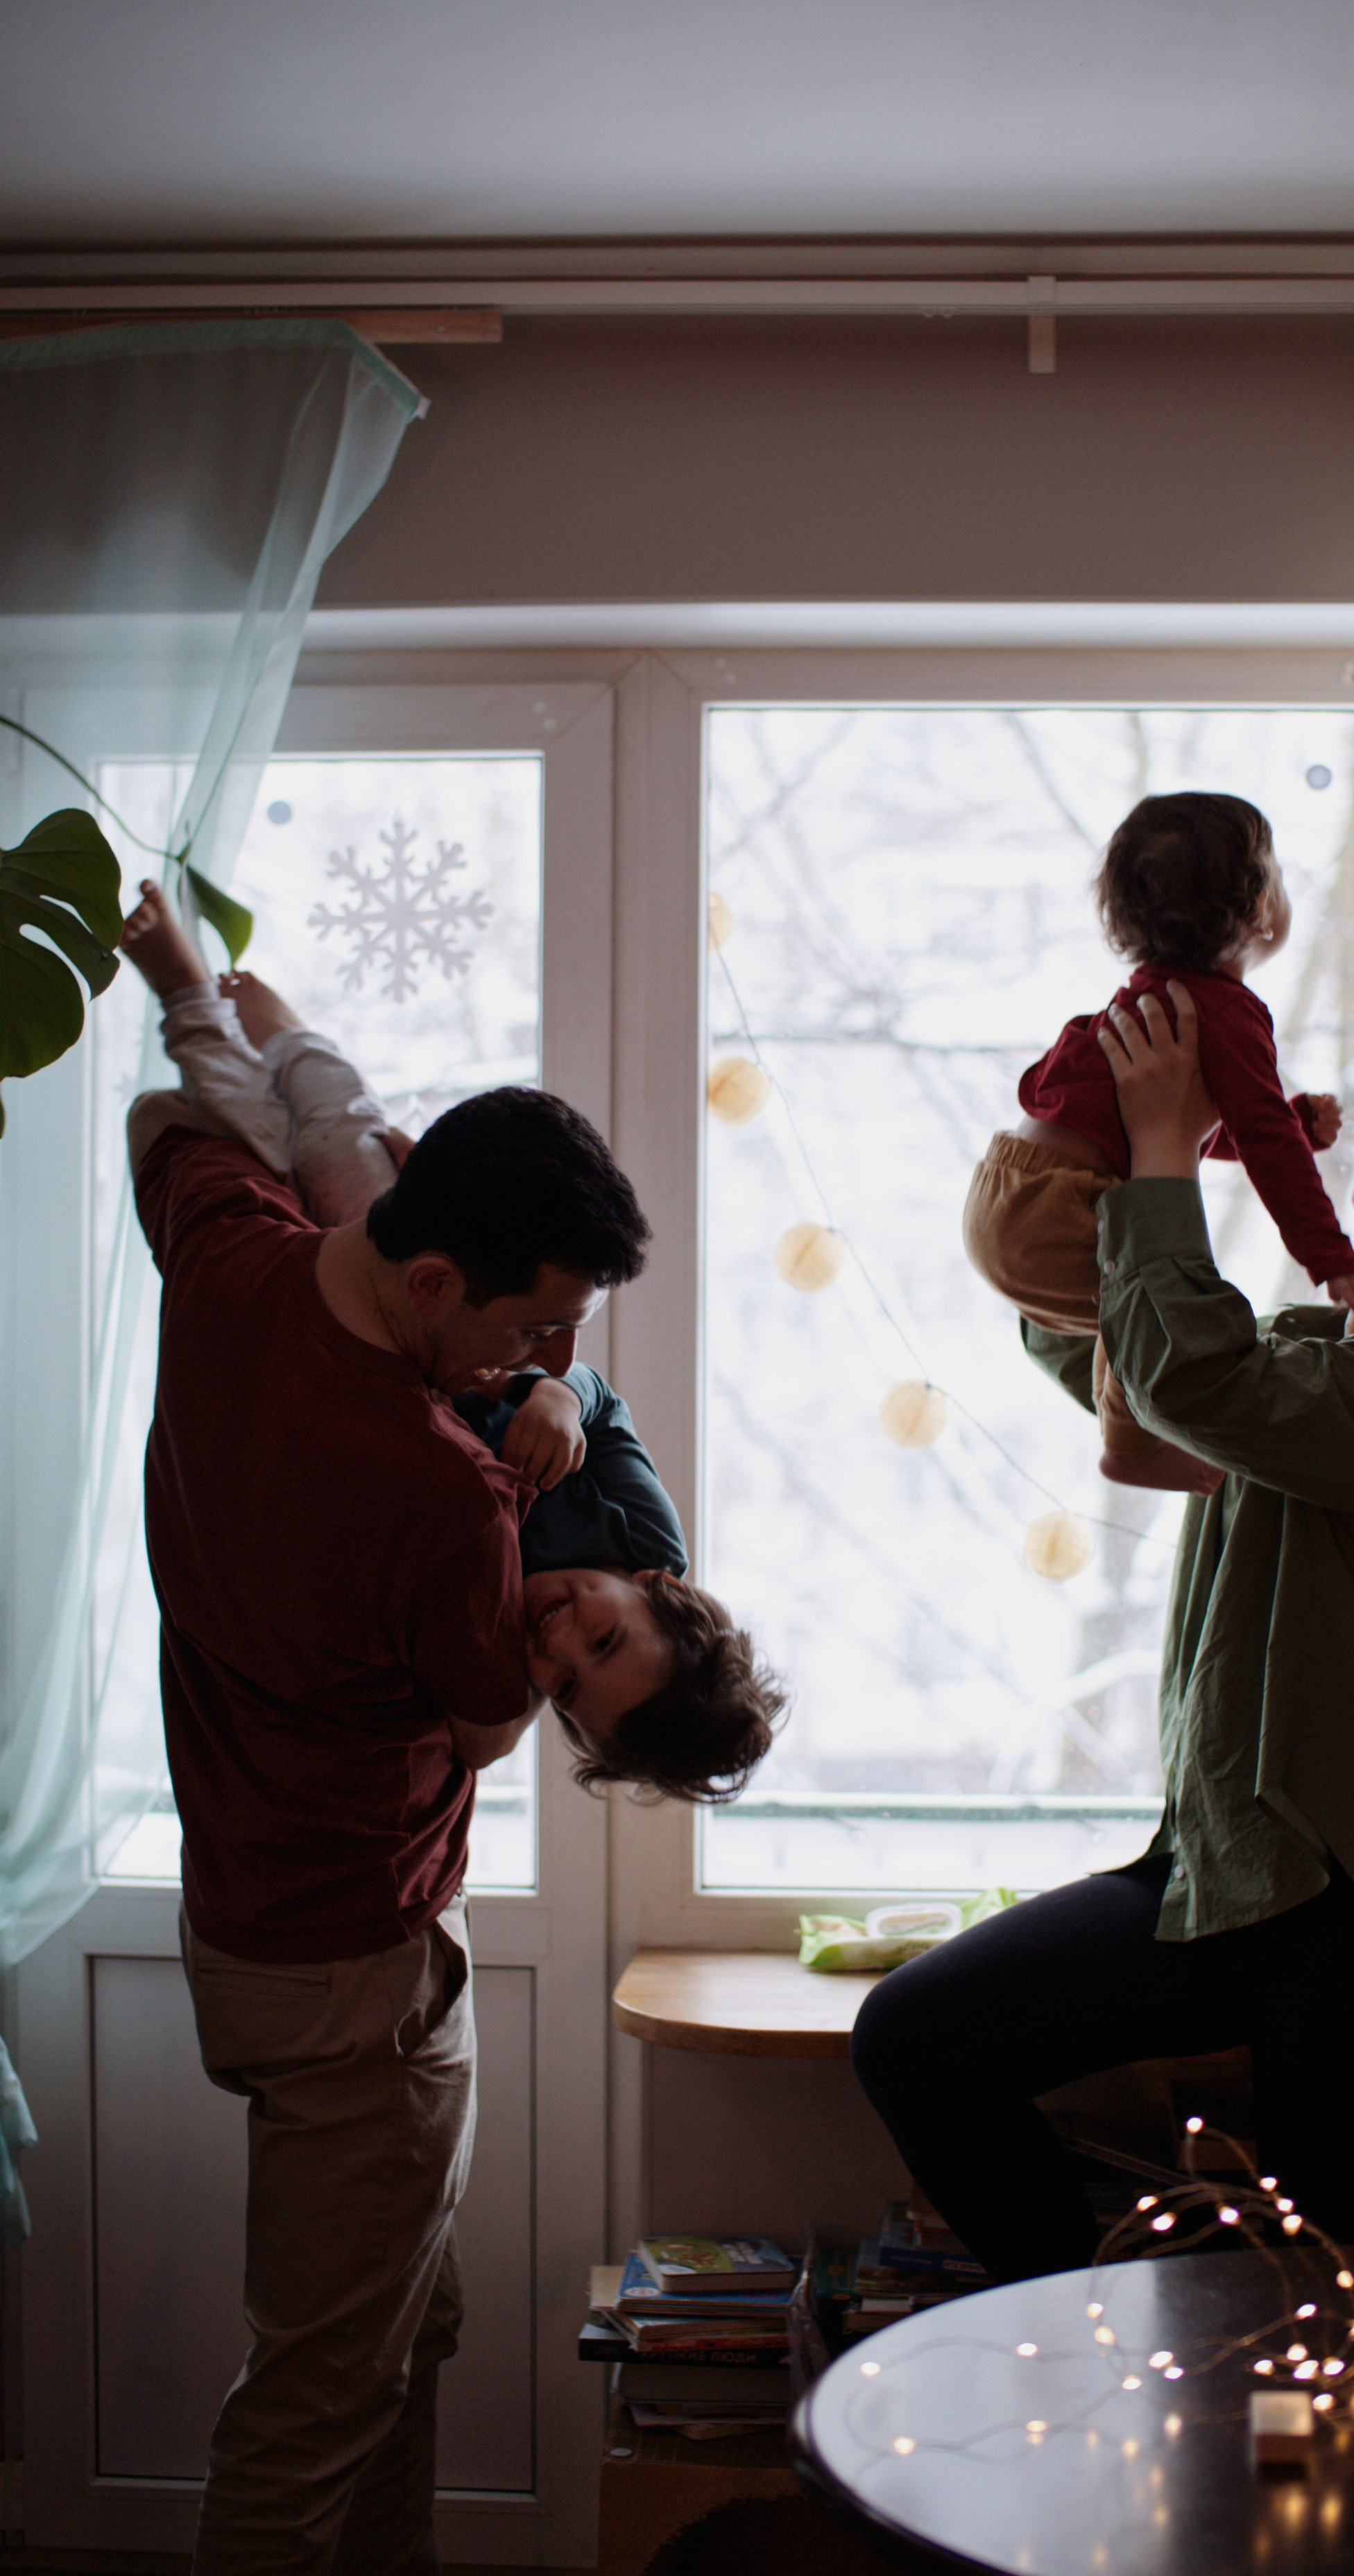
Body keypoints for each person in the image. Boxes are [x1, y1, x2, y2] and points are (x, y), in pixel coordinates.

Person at [119, 881, 766, 2576]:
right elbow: (488, 1720)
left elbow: (167, 1131)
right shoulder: (441, 1495)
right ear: (425, 1278)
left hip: (270, 1918)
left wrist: (213, 1014)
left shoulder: (228, 1260)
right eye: (527, 1322)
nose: (547, 1354)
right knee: (324, 2390)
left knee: (400, 2338)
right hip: (346, 1959)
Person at [856, 978, 1354, 2278]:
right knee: (918, 2040)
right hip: (1233, 1876)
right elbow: (1105, 1358)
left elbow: (1188, 1376)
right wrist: (1111, 1157)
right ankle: (1103, 2328)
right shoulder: (1327, 1367)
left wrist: (1168, 1153)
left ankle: (1183, 2364)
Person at [121, 879, 783, 1805]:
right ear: (658, 1591)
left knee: (262, 1140)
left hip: (420, 1338)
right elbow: (603, 1404)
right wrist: (560, 1396)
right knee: (340, 1130)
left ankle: (201, 1011)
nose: (554, 1643)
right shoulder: (640, 1533)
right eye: (601, 1641)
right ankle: (274, 1031)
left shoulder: (475, 1568)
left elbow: (482, 1730)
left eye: (565, 1687)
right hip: (409, 1300)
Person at [962, 790, 1354, 1491]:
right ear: (1259, 911)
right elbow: (1263, 1147)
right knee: (1154, 1306)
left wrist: (1285, 1121)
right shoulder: (1228, 1014)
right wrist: (1330, 1257)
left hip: (1004, 1190)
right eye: (1278, 878)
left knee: (1130, 1292)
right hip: (1057, 1212)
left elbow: (1165, 1132)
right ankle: (1133, 1445)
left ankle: (1131, 1434)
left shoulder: (1146, 999)